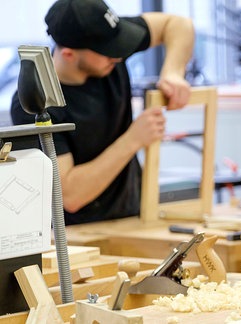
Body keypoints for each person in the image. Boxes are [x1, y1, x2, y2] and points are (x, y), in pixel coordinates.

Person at [10, 0, 194, 225]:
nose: (118, 57)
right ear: (69, 54)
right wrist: (133, 140)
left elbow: (178, 24)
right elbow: (70, 195)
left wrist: (173, 72)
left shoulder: (106, 41)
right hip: (81, 233)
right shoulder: (36, 103)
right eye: (109, 52)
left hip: (133, 215)